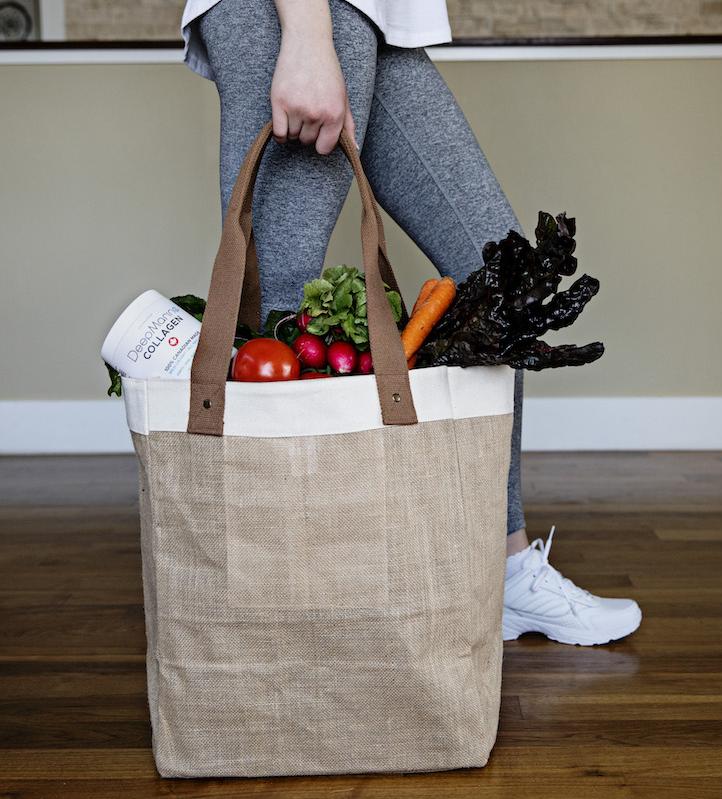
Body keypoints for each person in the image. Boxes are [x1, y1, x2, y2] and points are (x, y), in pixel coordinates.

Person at [181, 0, 642, 646]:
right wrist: (308, 32)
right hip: (296, 12)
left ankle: (504, 570)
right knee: (278, 312)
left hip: (374, 14)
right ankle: (267, 608)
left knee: (501, 280)